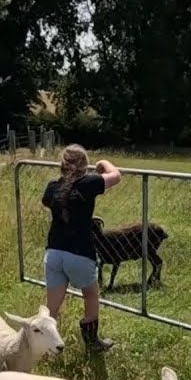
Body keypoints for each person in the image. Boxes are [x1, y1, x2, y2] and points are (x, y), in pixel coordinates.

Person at [41, 144, 122, 353]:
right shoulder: (90, 183)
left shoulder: (53, 187)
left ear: (62, 165)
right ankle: (92, 341)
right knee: (91, 295)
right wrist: (102, 162)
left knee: (51, 308)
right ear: (85, 165)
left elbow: (47, 202)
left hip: (54, 252)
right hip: (80, 253)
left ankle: (43, 346)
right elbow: (116, 175)